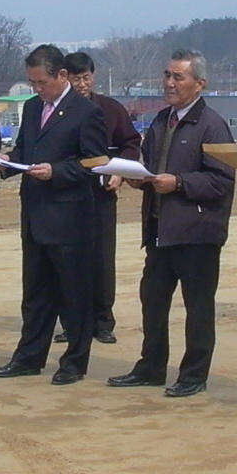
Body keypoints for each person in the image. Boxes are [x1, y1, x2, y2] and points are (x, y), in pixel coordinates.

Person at [106, 50, 235, 396]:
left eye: (178, 77)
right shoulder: (163, 120)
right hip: (160, 230)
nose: (169, 83)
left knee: (198, 308)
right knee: (153, 299)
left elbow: (222, 181)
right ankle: (151, 365)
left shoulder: (212, 124)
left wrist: (178, 182)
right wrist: (137, 177)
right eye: (167, 75)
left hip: (197, 233)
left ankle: (194, 374)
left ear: (199, 83)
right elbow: (149, 164)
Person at [0, 45, 108, 384]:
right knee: (36, 294)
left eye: (41, 82)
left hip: (70, 219)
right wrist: (4, 163)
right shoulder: (31, 109)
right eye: (32, 83)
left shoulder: (86, 112)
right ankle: (29, 357)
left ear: (61, 76)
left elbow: (94, 162)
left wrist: (56, 171)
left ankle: (74, 362)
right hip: (35, 215)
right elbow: (27, 150)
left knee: (75, 296)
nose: (37, 89)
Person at [65, 51, 142, 344]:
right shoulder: (58, 112)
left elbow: (131, 143)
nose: (82, 85)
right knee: (68, 259)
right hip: (67, 195)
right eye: (75, 79)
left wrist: (120, 172)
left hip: (101, 194)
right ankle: (72, 320)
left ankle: (103, 320)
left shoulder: (110, 109)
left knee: (101, 258)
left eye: (86, 78)